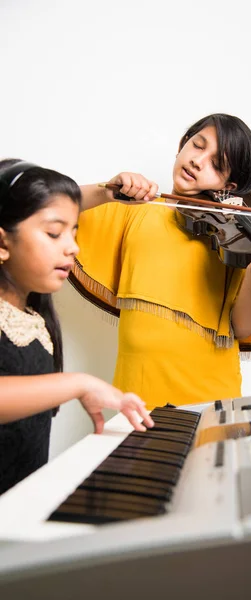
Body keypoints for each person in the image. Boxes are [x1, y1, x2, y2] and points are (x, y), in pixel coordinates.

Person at [71, 113, 251, 410]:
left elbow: (243, 328)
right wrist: (106, 192)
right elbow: (53, 205)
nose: (198, 161)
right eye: (197, 145)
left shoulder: (232, 237)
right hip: (136, 398)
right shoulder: (137, 209)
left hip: (211, 402)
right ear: (182, 145)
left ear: (230, 185)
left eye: (217, 165)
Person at [0, 159, 154, 496]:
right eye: (54, 233)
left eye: (74, 232)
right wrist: (78, 384)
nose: (73, 247)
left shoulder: (33, 318)